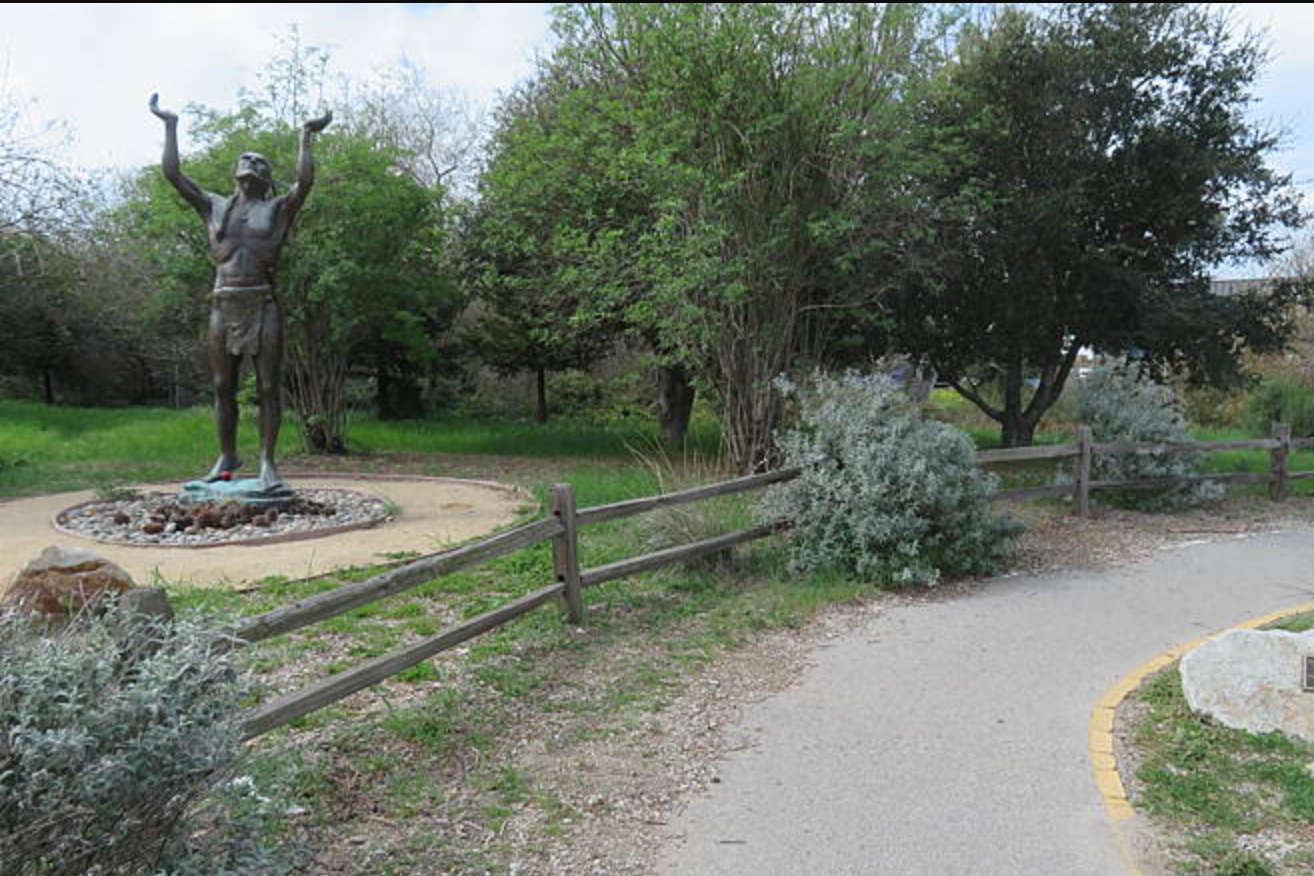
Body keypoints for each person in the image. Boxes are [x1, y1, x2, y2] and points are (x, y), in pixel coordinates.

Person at [149, 94, 331, 493]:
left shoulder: (279, 209)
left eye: (260, 162)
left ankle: (268, 461)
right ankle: (227, 456)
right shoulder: (212, 207)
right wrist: (170, 125)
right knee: (221, 385)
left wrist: (305, 135)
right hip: (223, 301)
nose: (251, 161)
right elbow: (174, 175)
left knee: (267, 385)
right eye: (245, 158)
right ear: (235, 172)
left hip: (262, 302)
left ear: (266, 178)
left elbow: (305, 182)